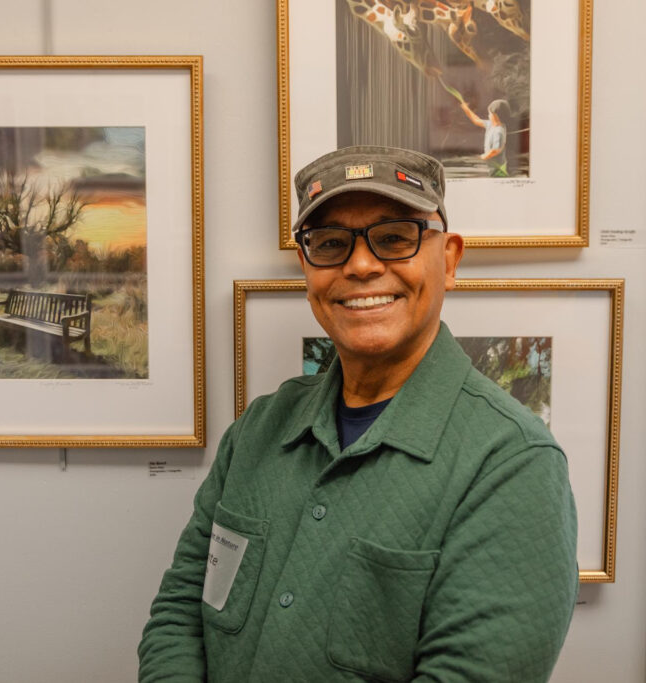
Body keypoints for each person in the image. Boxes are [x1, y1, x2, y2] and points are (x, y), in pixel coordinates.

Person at [138, 146, 577, 682]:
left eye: (395, 237)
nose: (362, 265)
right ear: (307, 268)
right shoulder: (258, 430)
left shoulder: (512, 463)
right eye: (330, 243)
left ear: (450, 259)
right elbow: (180, 615)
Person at [459, 98, 512, 177]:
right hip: (492, 168)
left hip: (499, 169)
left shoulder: (499, 131)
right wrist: (466, 109)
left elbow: (496, 150)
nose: (488, 115)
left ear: (496, 115)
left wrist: (484, 156)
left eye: (490, 114)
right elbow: (476, 120)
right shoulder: (490, 124)